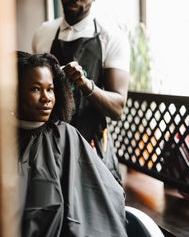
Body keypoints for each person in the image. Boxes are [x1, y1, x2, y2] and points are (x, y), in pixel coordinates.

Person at [32, 0, 130, 183]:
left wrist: (87, 86)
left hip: (92, 149)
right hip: (49, 148)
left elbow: (117, 107)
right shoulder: (43, 33)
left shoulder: (111, 38)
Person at [17, 51, 128, 237]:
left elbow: (106, 195)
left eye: (50, 89)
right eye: (35, 89)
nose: (46, 98)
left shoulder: (65, 136)